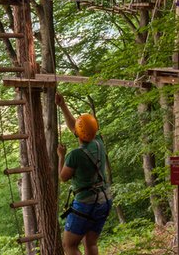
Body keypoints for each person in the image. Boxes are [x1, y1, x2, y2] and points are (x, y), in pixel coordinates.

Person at [56, 92, 113, 255]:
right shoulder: (98, 142)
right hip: (104, 200)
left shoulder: (75, 155)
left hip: (85, 204)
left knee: (69, 245)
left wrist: (61, 156)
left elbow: (63, 177)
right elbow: (76, 127)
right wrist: (63, 105)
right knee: (91, 243)